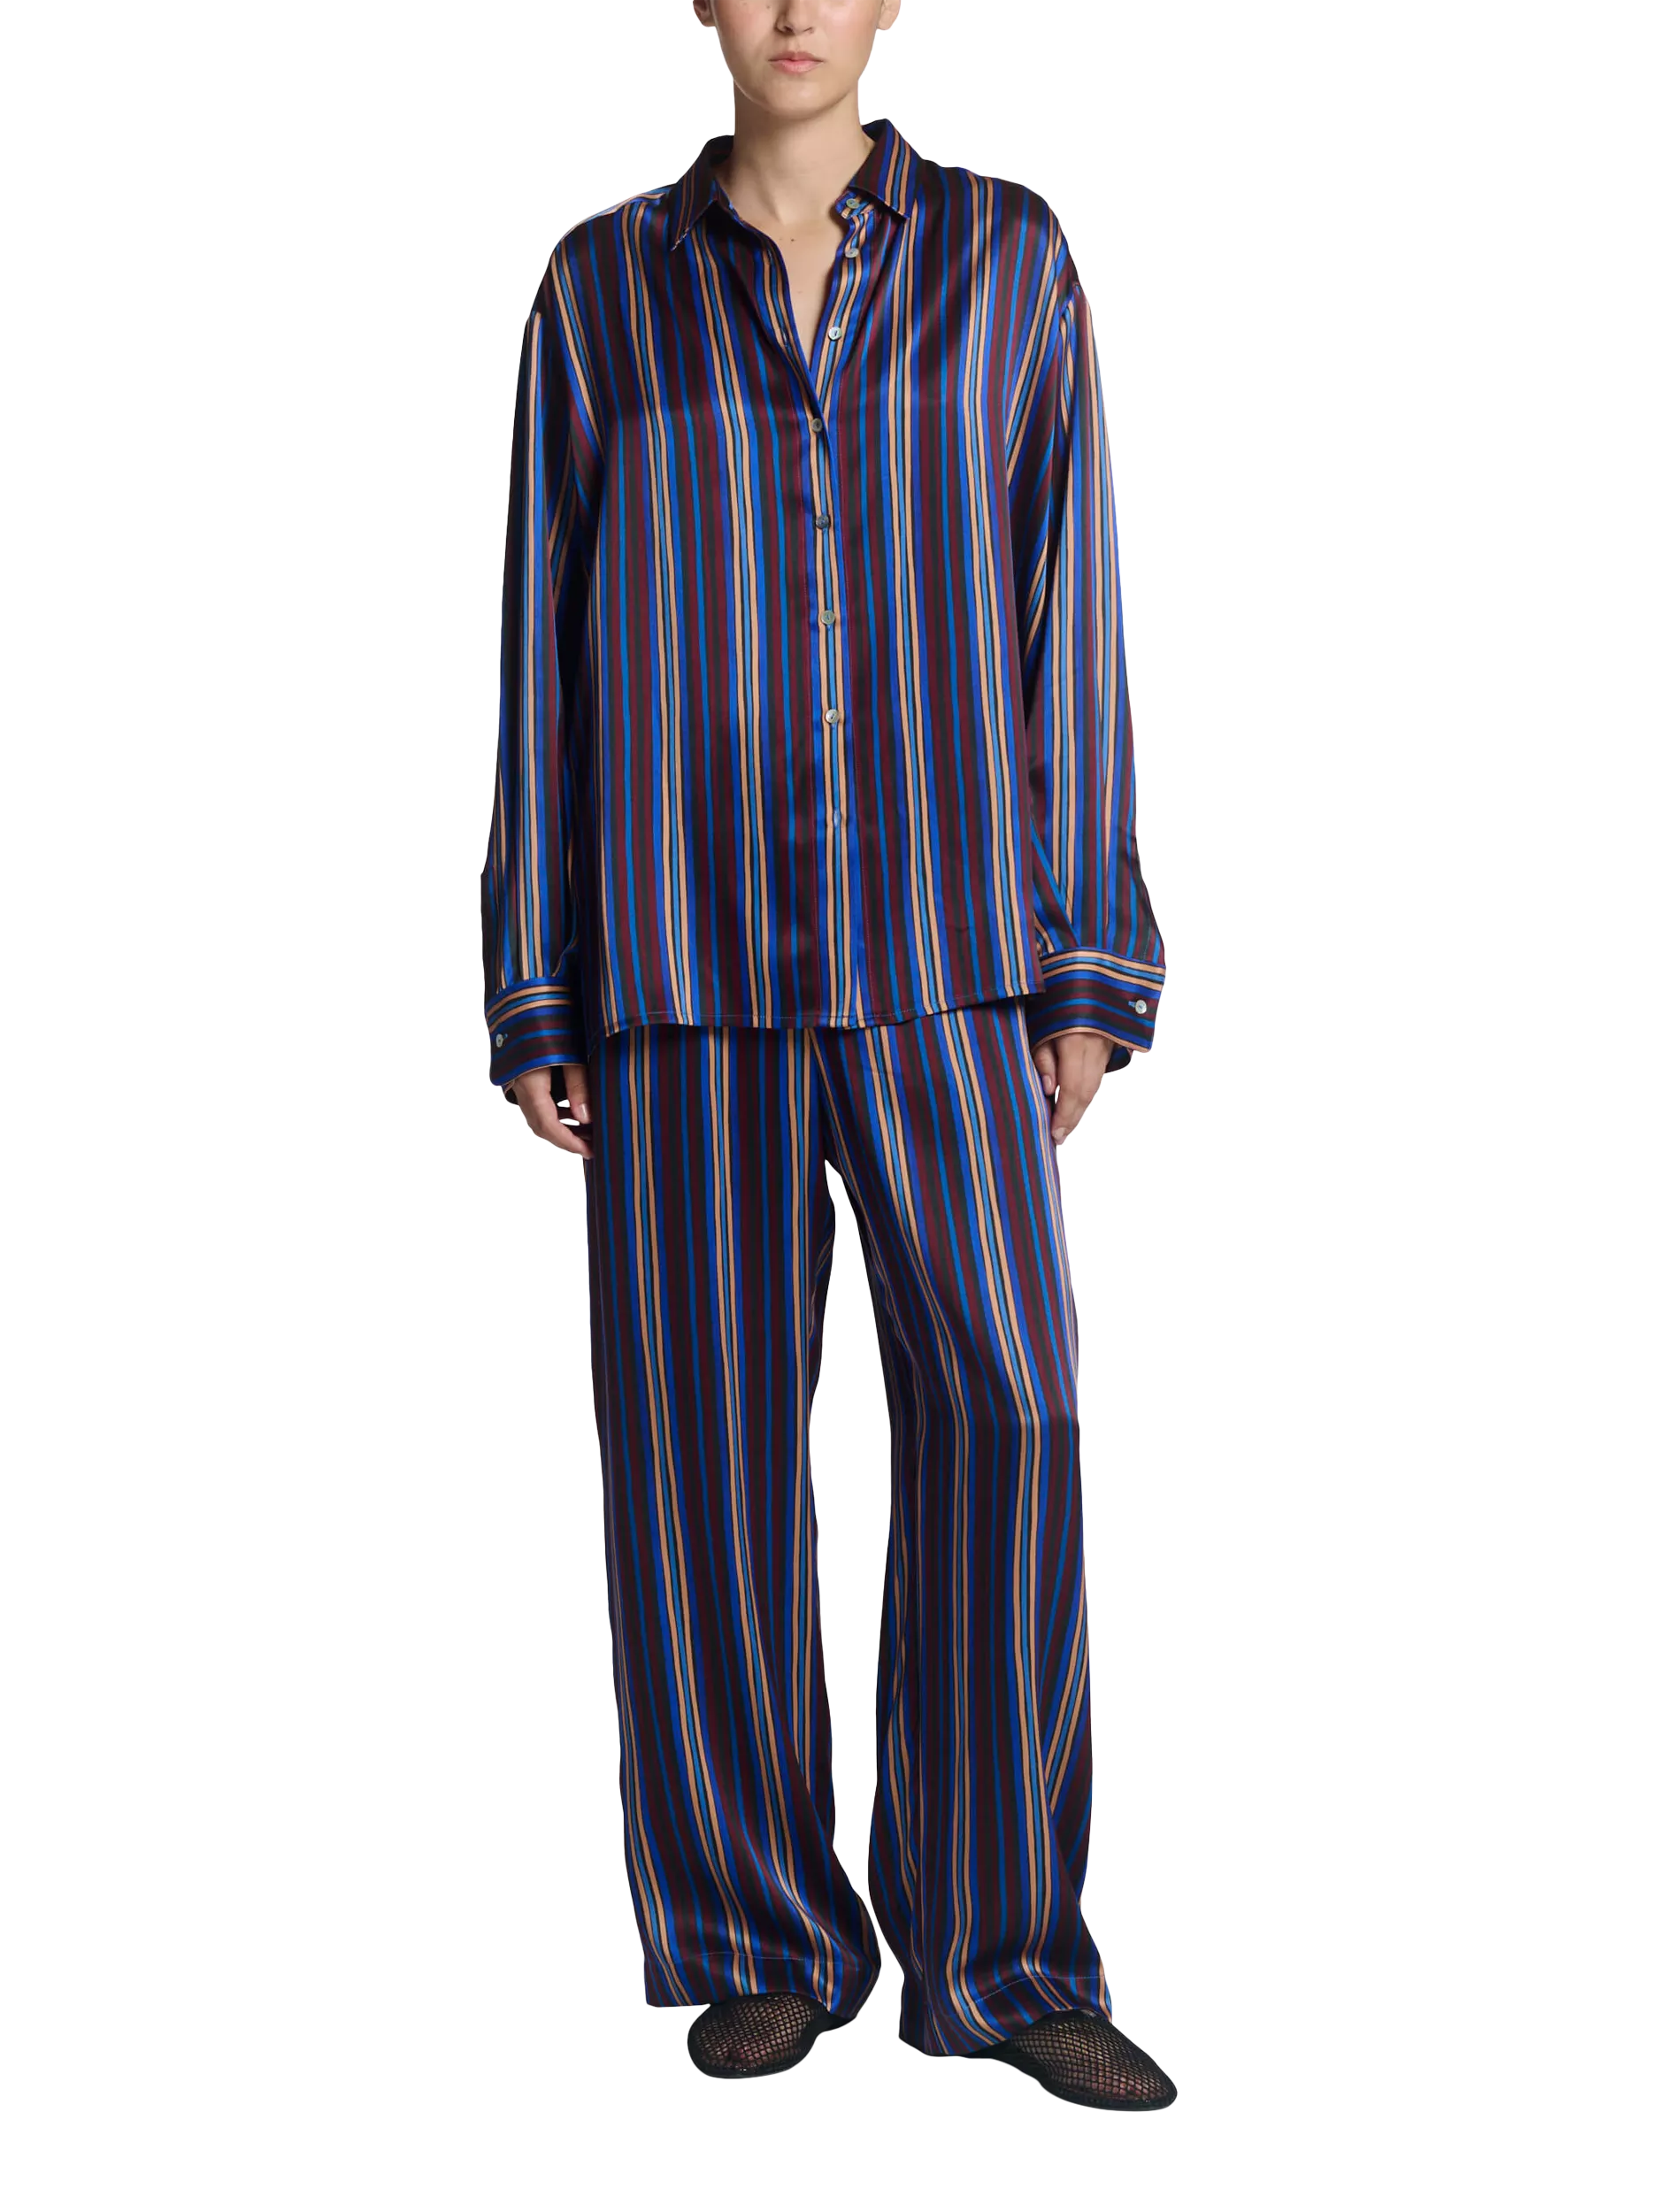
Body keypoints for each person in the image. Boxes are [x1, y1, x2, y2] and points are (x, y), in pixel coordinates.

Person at [480, 0, 1175, 2114]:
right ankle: (759, 1929)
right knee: (698, 1457)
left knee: (1010, 1412)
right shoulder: (601, 290)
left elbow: (1068, 606)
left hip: (953, 963)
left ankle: (1000, 1946)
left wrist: (1084, 958)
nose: (793, 10)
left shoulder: (1007, 259)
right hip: (675, 970)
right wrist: (538, 976)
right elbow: (543, 640)